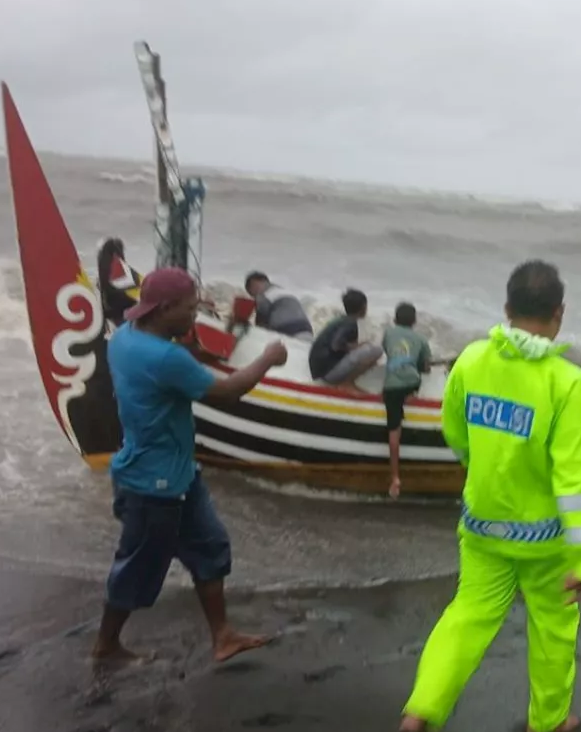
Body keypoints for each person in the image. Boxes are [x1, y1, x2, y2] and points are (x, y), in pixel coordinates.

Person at [395, 260, 581, 732]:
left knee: (466, 617)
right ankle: (547, 721)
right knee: (553, 629)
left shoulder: (470, 360)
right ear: (559, 314)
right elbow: (575, 480)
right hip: (547, 541)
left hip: (482, 524)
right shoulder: (567, 383)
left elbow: (455, 432)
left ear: (507, 309)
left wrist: (478, 464)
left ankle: (421, 711)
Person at [92, 267, 290, 664]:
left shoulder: (124, 338)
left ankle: (223, 636)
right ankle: (107, 646)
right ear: (164, 309)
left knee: (210, 546)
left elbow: (174, 364)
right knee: (137, 567)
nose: (195, 314)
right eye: (189, 307)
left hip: (178, 473)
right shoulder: (165, 358)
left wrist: (190, 346)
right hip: (153, 483)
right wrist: (268, 357)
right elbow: (229, 391)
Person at [381, 302, 432, 499]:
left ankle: (395, 478)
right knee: (412, 385)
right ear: (415, 321)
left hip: (392, 386)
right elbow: (426, 367)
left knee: (394, 434)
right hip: (412, 382)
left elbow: (389, 353)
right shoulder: (421, 338)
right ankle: (412, 400)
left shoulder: (388, 333)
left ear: (395, 319)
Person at [307, 288, 382, 394]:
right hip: (328, 373)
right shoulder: (350, 323)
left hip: (319, 371)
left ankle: (346, 382)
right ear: (363, 307)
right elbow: (335, 346)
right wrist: (356, 346)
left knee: (365, 349)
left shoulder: (342, 320)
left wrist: (356, 346)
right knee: (376, 351)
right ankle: (347, 384)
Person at [244, 271, 313, 340]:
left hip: (286, 330)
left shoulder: (264, 295)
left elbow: (261, 324)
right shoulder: (284, 291)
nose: (254, 295)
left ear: (261, 281)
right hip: (307, 330)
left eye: (252, 289)